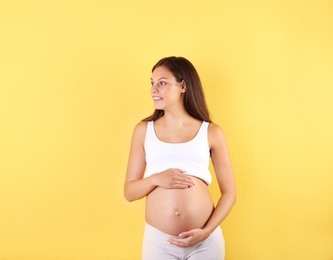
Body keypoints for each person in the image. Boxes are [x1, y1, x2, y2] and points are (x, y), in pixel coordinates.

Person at [124, 56, 236, 260]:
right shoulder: (143, 131)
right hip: (160, 243)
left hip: (204, 243)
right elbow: (129, 192)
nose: (154, 89)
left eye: (162, 83)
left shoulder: (211, 132)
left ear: (183, 86)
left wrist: (207, 231)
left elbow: (229, 193)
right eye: (152, 83)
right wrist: (156, 179)